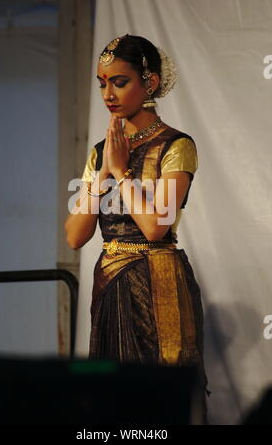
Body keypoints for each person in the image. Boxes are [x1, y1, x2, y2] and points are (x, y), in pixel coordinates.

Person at [65, 34, 211, 424]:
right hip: (110, 280)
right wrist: (103, 169)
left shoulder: (176, 145)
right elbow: (75, 236)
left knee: (160, 393)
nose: (108, 93)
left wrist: (120, 171)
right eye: (101, 82)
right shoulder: (102, 150)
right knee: (111, 396)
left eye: (119, 81)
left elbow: (154, 227)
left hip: (157, 278)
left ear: (150, 83)